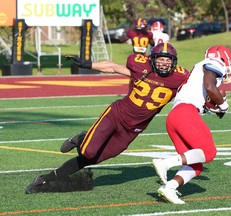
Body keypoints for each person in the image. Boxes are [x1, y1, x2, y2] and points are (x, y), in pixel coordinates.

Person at [25, 42, 190, 194]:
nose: (164, 63)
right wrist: (86, 64)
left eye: (168, 60)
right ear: (152, 60)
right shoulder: (141, 68)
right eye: (161, 59)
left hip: (133, 130)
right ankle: (82, 137)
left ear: (174, 62)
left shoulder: (179, 78)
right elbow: (112, 67)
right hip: (116, 115)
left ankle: (46, 179)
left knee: (92, 158)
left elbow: (196, 89)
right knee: (87, 150)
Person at [152, 45, 231, 204]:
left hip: (175, 117)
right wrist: (223, 105)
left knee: (196, 165)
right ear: (223, 58)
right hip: (185, 113)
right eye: (229, 63)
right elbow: (210, 87)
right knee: (209, 152)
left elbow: (204, 98)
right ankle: (165, 163)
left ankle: (169, 188)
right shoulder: (213, 63)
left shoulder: (198, 71)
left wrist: (215, 107)